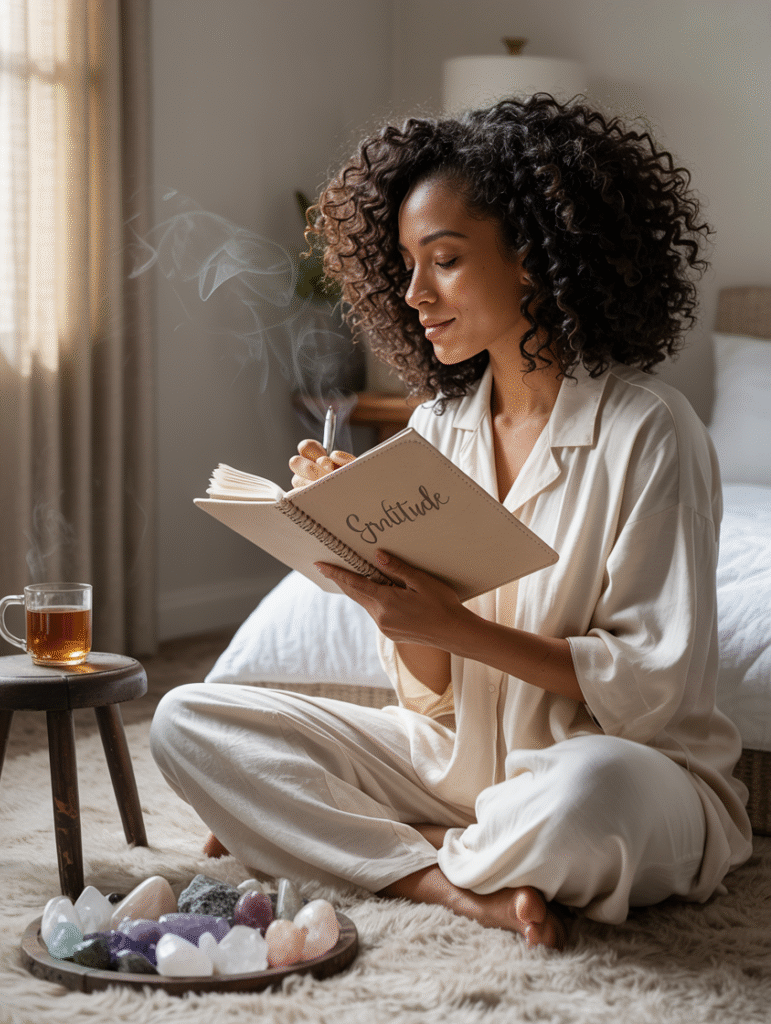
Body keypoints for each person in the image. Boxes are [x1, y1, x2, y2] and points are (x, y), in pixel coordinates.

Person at [150, 94, 752, 950]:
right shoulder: (436, 429)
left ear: (535, 260)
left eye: (444, 260)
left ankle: (374, 848)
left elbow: (649, 689)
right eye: (403, 263)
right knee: (187, 719)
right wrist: (363, 568)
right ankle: (454, 880)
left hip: (620, 770)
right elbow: (427, 690)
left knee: (590, 801)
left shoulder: (649, 429)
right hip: (454, 762)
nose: (412, 292)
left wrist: (452, 625)